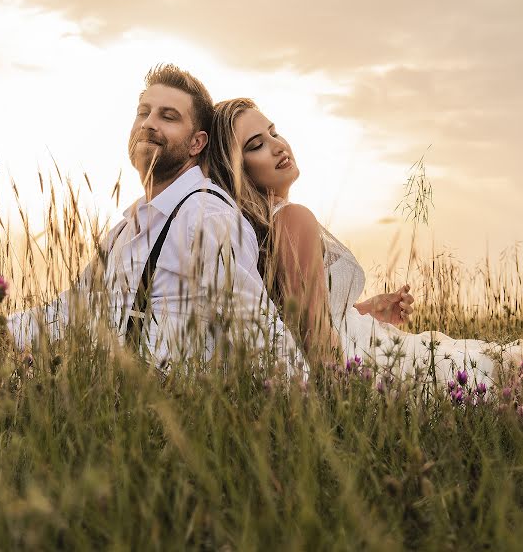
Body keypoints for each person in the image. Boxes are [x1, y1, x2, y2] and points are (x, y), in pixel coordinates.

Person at [205, 97, 522, 385]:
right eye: (257, 144)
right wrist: (341, 404)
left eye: (274, 132)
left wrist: (366, 310)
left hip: (368, 357)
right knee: (505, 370)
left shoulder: (263, 232)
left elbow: (296, 321)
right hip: (372, 366)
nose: (277, 146)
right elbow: (314, 340)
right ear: (235, 169)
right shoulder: (292, 219)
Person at [7, 67, 302, 375]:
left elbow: (263, 335)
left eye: (168, 116)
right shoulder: (124, 230)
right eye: (143, 113)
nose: (149, 123)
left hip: (177, 413)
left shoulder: (205, 217)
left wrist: (304, 410)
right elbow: (71, 310)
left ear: (196, 143)